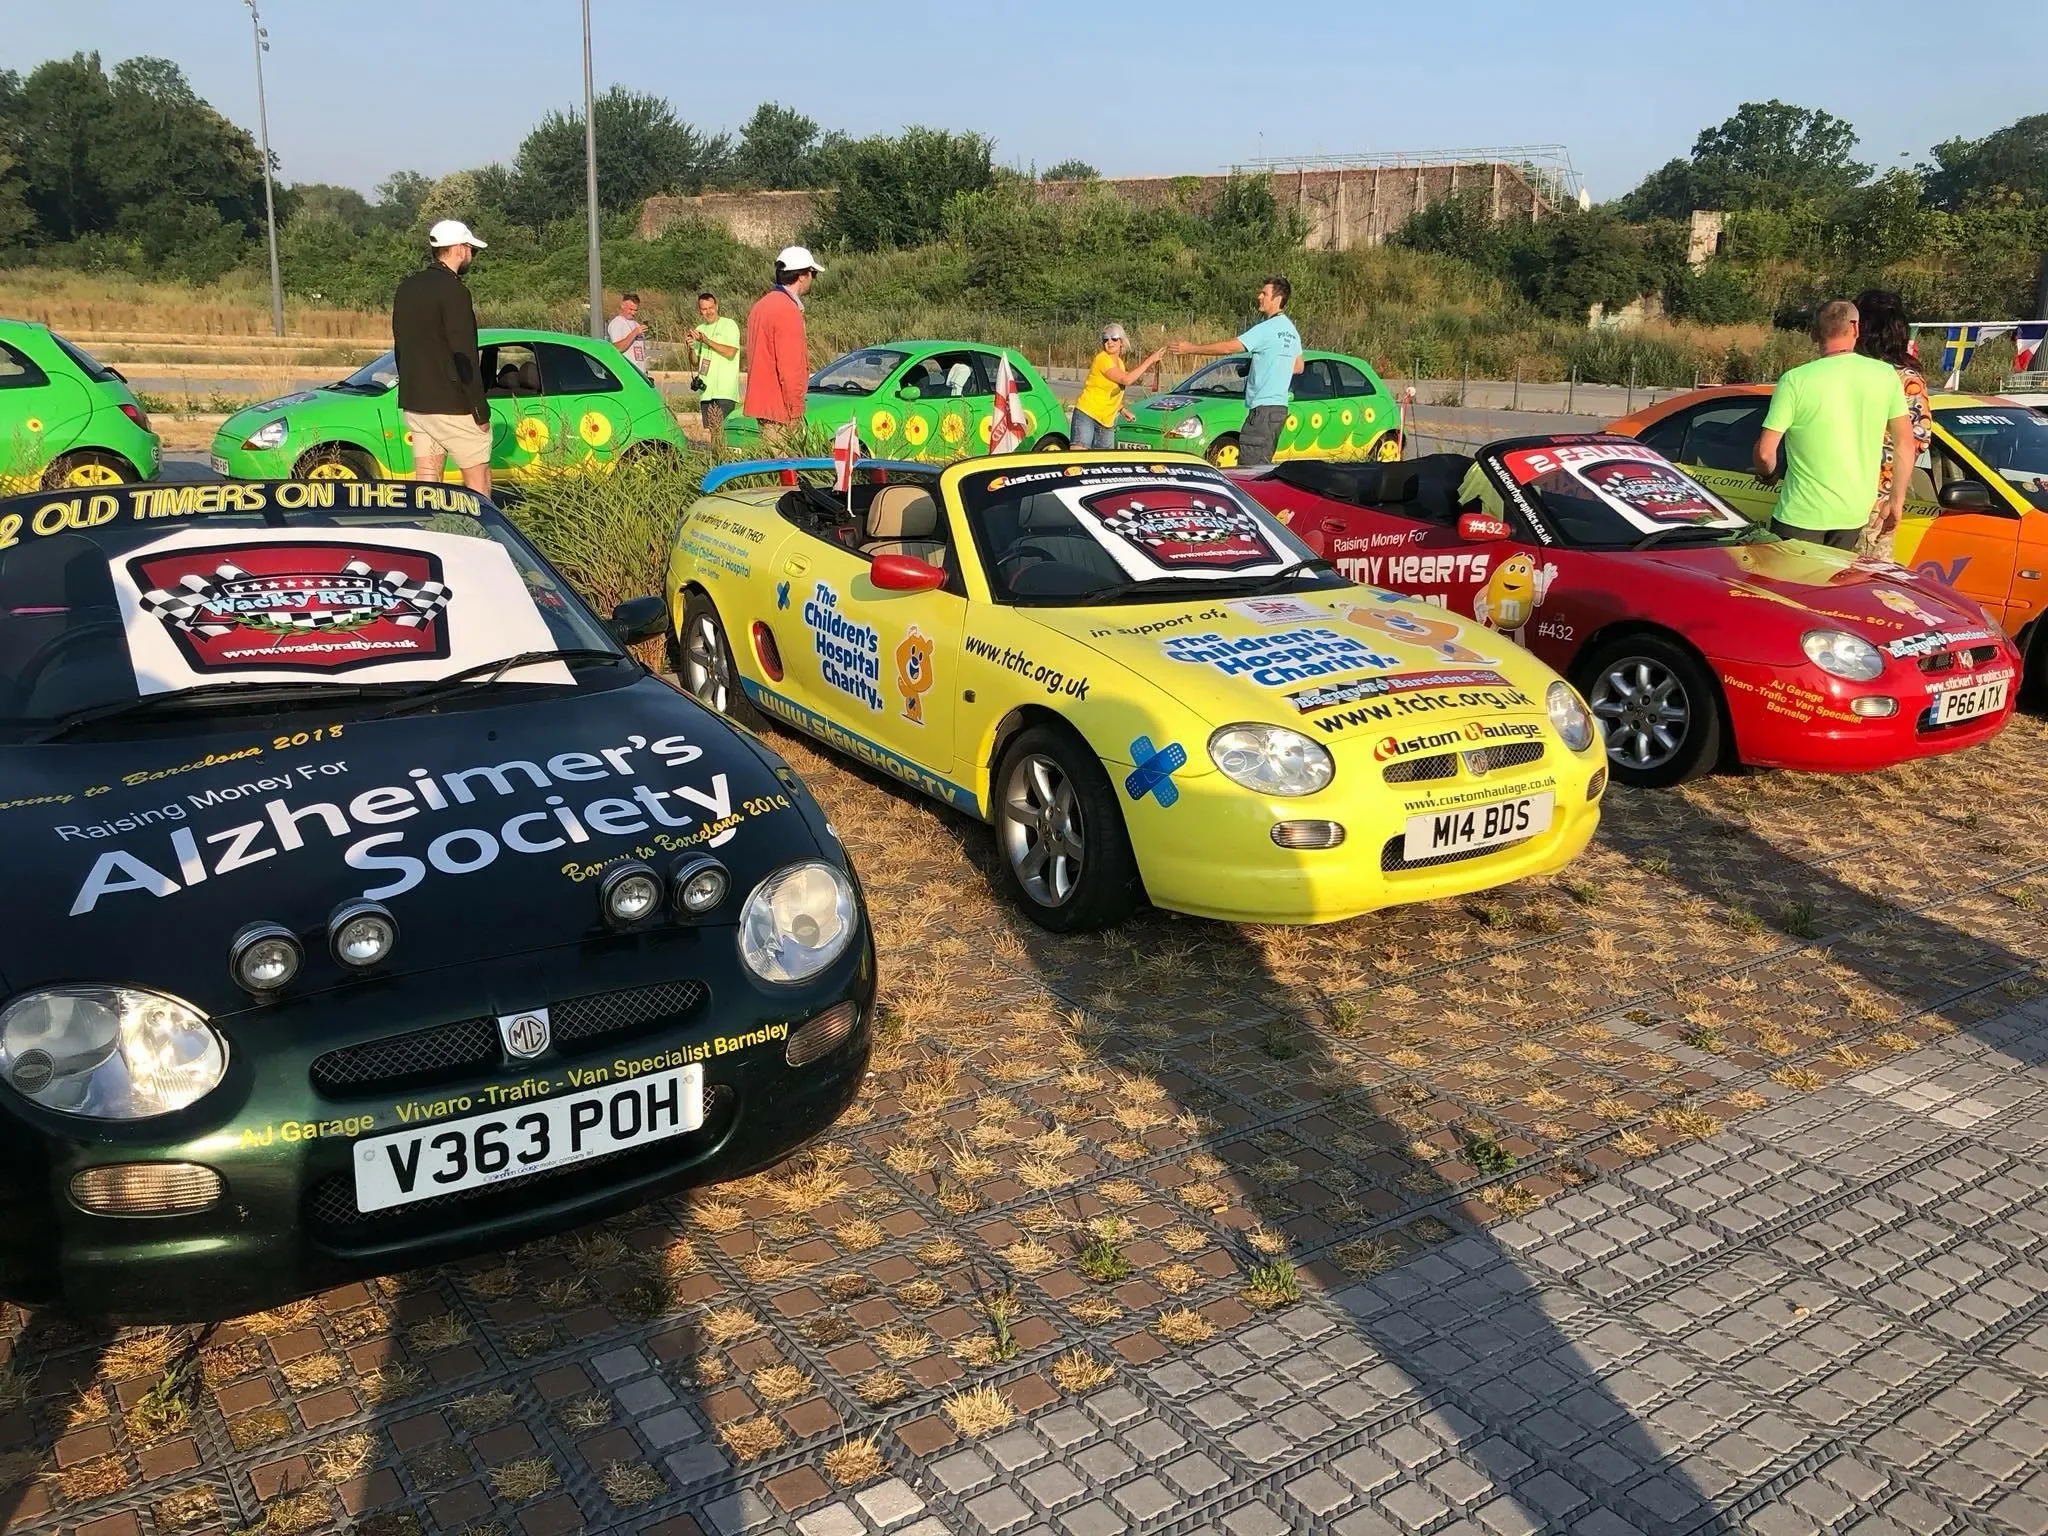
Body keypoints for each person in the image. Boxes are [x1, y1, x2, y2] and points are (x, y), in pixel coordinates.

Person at [1753, 299, 1913, 551]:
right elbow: (1905, 443)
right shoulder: (1885, 376)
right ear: (1856, 328)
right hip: (1853, 515)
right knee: (1831, 588)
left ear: (1815, 333)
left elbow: (1765, 452)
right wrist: (1896, 500)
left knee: (1791, 590)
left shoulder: (1795, 380)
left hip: (1800, 514)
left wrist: (1768, 474)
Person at [392, 218, 492, 495]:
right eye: (472, 249)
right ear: (460, 248)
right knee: (478, 478)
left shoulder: (407, 287)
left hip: (416, 402)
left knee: (427, 484)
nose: (472, 255)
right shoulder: (455, 290)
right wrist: (479, 409)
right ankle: (481, 535)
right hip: (453, 405)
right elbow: (464, 353)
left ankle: (429, 533)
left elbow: (400, 346)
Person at [1170, 276, 1304, 467]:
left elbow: (1228, 347)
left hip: (1262, 410)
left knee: (1249, 468)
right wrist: (1270, 362)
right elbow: (1299, 366)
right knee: (1262, 464)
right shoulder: (1291, 330)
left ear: (1277, 298)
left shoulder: (1266, 328)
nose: (1259, 296)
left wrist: (1190, 348)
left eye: (1264, 293)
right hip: (1278, 410)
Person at [1851, 288, 1932, 561]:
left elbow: (1910, 442)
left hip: (1868, 497)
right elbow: (1917, 440)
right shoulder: (1905, 379)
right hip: (1872, 495)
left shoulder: (1898, 378)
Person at [743, 246, 820, 439]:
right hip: (780, 409)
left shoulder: (762, 305)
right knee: (787, 467)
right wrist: (795, 409)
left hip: (763, 404)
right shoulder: (787, 310)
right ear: (802, 275)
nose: (813, 279)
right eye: (813, 274)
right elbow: (790, 367)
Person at [1070, 324, 1166, 449]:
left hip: (1107, 421)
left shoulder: (1120, 363)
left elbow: (1110, 390)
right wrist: (1149, 361)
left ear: (1122, 341)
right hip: (1087, 414)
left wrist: (1122, 409)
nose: (1109, 342)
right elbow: (1126, 379)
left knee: (1105, 464)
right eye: (1105, 339)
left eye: (1114, 338)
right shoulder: (1102, 359)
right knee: (1079, 460)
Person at [687, 291, 741, 446]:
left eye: (711, 307)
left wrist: (707, 340)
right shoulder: (699, 328)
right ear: (700, 310)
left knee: (723, 430)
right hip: (706, 390)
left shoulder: (729, 324)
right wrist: (690, 348)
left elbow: (730, 352)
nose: (708, 312)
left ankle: (726, 461)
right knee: (713, 432)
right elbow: (695, 362)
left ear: (717, 306)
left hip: (724, 389)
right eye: (704, 309)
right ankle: (717, 460)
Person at [607, 292, 651, 378]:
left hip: (640, 374)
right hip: (627, 374)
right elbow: (617, 348)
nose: (633, 313)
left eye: (636, 310)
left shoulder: (637, 325)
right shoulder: (617, 323)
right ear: (622, 305)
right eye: (631, 309)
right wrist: (634, 333)